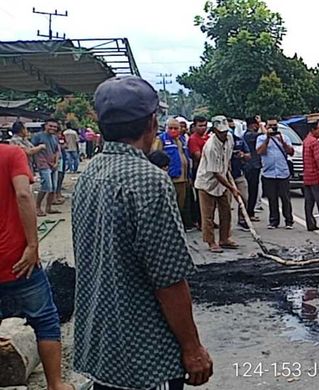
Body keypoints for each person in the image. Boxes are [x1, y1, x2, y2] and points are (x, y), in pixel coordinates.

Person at [73, 75, 212, 390]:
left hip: (104, 347)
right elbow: (169, 278)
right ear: (152, 122)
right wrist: (192, 347)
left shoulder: (90, 173)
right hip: (146, 355)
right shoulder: (148, 178)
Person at [0, 143, 74, 390]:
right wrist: (33, 245)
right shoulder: (11, 154)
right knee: (44, 320)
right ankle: (55, 384)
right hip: (16, 259)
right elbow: (23, 194)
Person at [194, 116, 241, 253]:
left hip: (223, 180)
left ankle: (224, 238)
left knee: (226, 211)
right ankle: (211, 242)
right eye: (221, 132)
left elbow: (228, 157)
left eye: (226, 131)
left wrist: (229, 169)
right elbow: (216, 174)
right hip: (207, 183)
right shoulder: (210, 146)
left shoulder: (230, 139)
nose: (224, 134)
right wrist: (232, 188)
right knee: (208, 216)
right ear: (214, 130)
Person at [153, 118, 194, 230]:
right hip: (171, 178)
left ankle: (178, 226)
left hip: (183, 178)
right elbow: (156, 157)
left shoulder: (181, 140)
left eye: (176, 128)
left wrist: (188, 176)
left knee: (180, 205)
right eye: (170, 128)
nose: (173, 130)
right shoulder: (161, 139)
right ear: (166, 128)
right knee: (171, 205)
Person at [257, 117, 295, 229]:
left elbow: (291, 152)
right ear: (266, 127)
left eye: (275, 126)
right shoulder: (261, 138)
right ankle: (274, 221)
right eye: (270, 126)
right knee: (272, 198)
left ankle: (289, 220)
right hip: (269, 173)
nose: (273, 128)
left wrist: (282, 141)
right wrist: (267, 139)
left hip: (283, 172)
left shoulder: (284, 137)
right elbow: (260, 151)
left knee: (285, 198)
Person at [31, 118, 62, 217]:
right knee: (46, 186)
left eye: (55, 127)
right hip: (43, 164)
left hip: (53, 165)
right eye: (51, 126)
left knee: (53, 187)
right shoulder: (37, 136)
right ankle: (37, 207)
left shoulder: (55, 137)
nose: (53, 128)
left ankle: (49, 207)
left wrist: (56, 162)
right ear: (45, 125)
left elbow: (57, 151)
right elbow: (32, 150)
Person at [187, 116, 209, 229]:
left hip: (210, 170)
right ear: (194, 126)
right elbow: (198, 156)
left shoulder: (208, 137)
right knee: (201, 199)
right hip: (199, 170)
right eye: (200, 126)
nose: (203, 128)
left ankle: (208, 221)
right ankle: (201, 222)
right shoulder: (193, 139)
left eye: (205, 125)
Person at [230, 123, 251, 231]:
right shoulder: (217, 142)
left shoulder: (239, 140)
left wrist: (242, 155)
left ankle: (242, 219)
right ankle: (225, 224)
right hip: (224, 176)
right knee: (224, 202)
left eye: (232, 128)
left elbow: (248, 155)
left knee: (244, 197)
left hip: (238, 173)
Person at [242, 116, 263, 221]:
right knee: (252, 190)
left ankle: (250, 212)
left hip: (252, 165)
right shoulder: (250, 135)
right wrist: (262, 125)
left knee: (252, 190)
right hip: (252, 166)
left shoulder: (247, 135)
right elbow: (264, 135)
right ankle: (249, 213)